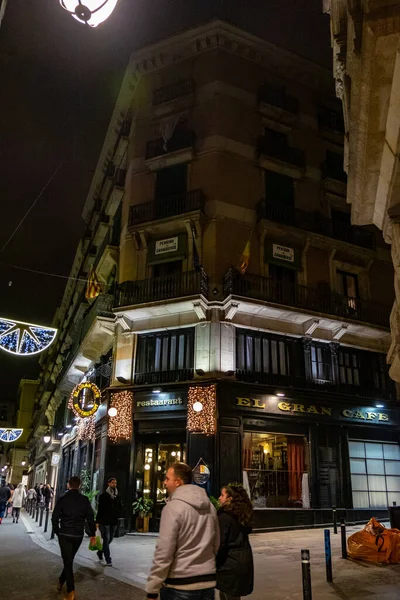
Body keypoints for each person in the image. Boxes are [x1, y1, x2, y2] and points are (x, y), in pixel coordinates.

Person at [145, 462, 219, 600]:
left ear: (178, 482)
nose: (164, 482)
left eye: (167, 478)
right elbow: (216, 543)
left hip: (180, 584)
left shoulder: (173, 508)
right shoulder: (210, 507)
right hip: (207, 582)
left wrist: (153, 588)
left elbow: (164, 551)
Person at [52, 476, 96, 600]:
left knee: (68, 561)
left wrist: (57, 532)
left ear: (68, 485)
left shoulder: (63, 499)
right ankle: (61, 582)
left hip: (65, 534)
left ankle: (71, 590)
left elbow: (54, 517)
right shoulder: (84, 500)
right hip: (78, 535)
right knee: (69, 560)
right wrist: (92, 533)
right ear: (80, 485)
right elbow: (90, 518)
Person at [216, 484, 254, 600]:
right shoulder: (240, 516)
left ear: (230, 499)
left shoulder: (224, 517)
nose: (219, 498)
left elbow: (220, 544)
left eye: (222, 495)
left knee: (228, 596)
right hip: (241, 562)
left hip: (229, 565)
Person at [96, 477, 121, 566]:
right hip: (105, 521)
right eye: (113, 483)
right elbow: (100, 509)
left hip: (114, 521)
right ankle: (108, 559)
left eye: (115, 483)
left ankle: (100, 552)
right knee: (106, 540)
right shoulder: (103, 496)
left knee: (110, 539)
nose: (114, 484)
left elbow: (119, 507)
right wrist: (97, 521)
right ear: (109, 484)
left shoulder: (117, 495)